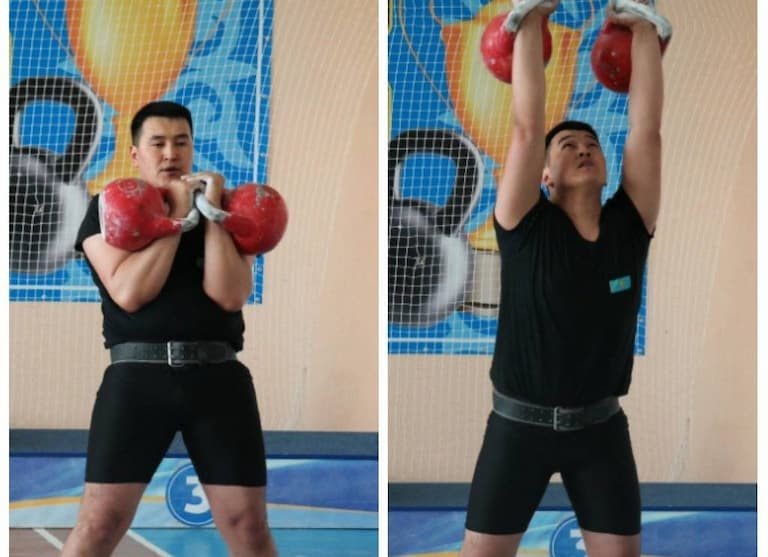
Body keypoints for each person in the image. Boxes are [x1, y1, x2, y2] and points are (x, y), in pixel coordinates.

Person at [460, 1, 666, 556]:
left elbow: (646, 131)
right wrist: (531, 19)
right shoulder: (523, 223)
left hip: (600, 432)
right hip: (517, 430)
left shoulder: (629, 226)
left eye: (591, 145)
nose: (583, 149)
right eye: (568, 146)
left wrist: (643, 31)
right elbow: (526, 129)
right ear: (545, 175)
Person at [62, 101, 277, 556]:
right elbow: (130, 293)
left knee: (249, 526)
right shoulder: (106, 208)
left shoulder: (229, 210)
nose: (170, 153)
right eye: (157, 143)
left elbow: (229, 295)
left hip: (218, 379)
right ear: (135, 153)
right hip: (137, 380)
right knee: (99, 523)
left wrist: (210, 213)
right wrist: (177, 217)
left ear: (192, 147)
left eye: (181, 142)